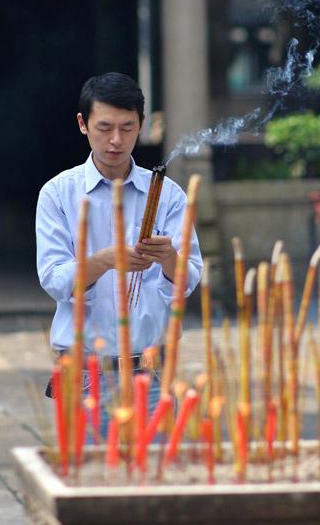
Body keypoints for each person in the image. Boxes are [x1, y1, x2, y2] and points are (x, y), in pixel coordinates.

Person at [36, 72, 202, 438]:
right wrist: (107, 259)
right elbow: (55, 279)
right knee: (87, 485)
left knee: (154, 486)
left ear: (142, 125)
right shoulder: (57, 194)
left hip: (151, 371)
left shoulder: (169, 195)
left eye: (127, 128)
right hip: (82, 374)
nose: (115, 140)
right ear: (83, 124)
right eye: (105, 127)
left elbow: (189, 278)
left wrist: (168, 257)